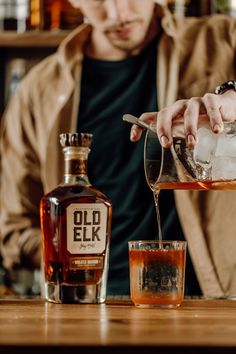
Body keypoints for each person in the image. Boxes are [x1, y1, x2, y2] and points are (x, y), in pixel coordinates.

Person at [1, 0, 236, 298]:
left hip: (214, 304)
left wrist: (231, 99)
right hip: (92, 307)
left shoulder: (224, 38)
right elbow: (13, 228)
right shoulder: (37, 91)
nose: (118, 14)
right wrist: (66, 253)